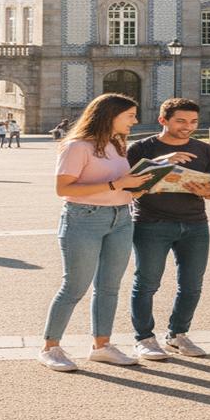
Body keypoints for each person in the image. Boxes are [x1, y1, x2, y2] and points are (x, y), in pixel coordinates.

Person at [38, 93, 152, 373]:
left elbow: (118, 183)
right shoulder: (77, 146)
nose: (135, 121)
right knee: (74, 286)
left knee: (109, 287)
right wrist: (117, 184)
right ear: (110, 115)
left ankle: (102, 346)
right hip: (84, 219)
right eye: (130, 115)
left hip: (122, 218)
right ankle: (50, 348)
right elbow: (64, 189)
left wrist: (136, 187)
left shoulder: (118, 144)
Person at [126, 98, 210, 361]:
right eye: (180, 121)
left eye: (193, 122)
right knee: (147, 283)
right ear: (163, 120)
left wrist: (209, 192)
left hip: (195, 224)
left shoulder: (206, 150)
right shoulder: (140, 148)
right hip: (150, 223)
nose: (187, 127)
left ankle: (177, 335)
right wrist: (161, 162)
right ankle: (144, 338)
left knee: (191, 285)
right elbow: (129, 187)